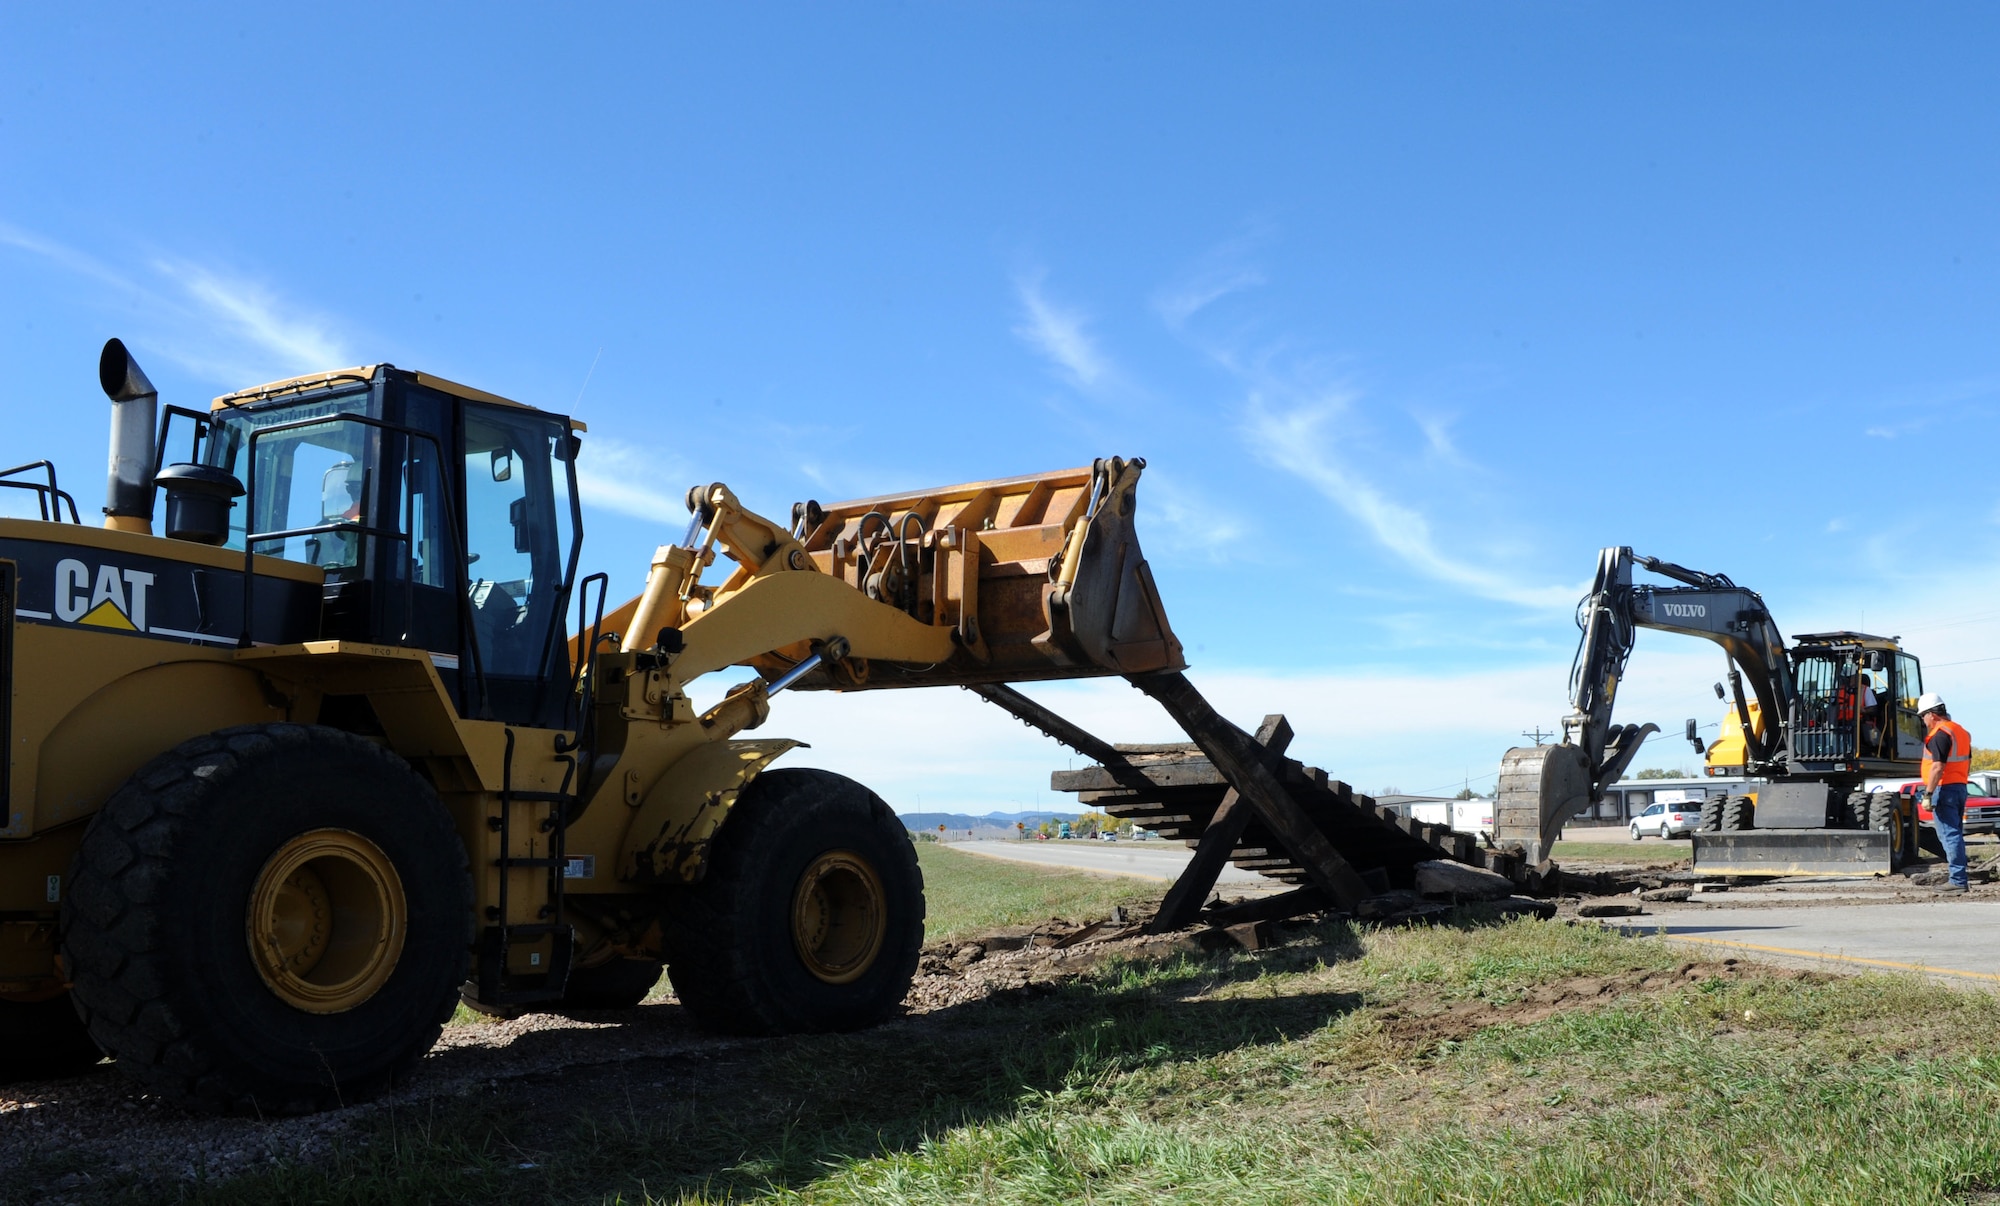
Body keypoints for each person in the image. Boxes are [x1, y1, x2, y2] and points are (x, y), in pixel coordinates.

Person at [1917, 692, 1974, 892]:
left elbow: (1937, 767)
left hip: (1944, 788)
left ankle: (1957, 881)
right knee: (1955, 833)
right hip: (1959, 787)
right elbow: (1967, 761)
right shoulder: (1961, 732)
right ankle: (1959, 877)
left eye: (1922, 716)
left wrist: (1928, 794)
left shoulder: (1939, 734)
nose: (1923, 721)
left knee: (1949, 835)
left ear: (1932, 714)